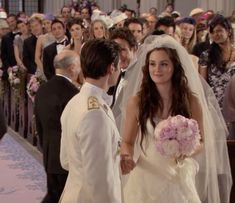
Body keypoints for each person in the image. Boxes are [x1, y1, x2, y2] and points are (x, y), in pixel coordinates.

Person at [119, 34, 232, 203]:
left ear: (175, 67)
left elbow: (203, 140)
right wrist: (126, 156)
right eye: (152, 64)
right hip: (146, 174)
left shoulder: (191, 100)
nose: (157, 69)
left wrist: (186, 150)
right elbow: (127, 141)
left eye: (164, 64)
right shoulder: (137, 102)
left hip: (178, 174)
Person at [59, 39, 122, 203]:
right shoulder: (95, 114)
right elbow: (99, 182)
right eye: (119, 65)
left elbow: (66, 160)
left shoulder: (75, 101)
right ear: (111, 68)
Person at [34, 50, 80, 203]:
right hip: (67, 157)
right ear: (72, 67)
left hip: (49, 153)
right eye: (79, 65)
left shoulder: (42, 89)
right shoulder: (73, 93)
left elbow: (39, 125)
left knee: (54, 195)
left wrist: (46, 147)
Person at [199, 14, 235, 109]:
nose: (216, 34)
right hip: (214, 106)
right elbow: (203, 84)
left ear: (229, 31)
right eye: (213, 32)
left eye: (219, 30)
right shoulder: (206, 55)